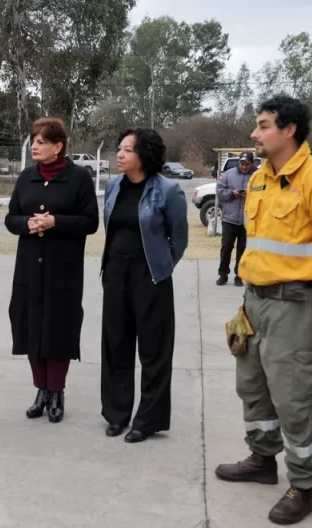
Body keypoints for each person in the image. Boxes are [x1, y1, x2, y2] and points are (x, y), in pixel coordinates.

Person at [214, 95, 312, 524]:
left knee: (294, 398)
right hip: (256, 300)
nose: (254, 134)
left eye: (263, 125)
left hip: (296, 304)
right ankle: (262, 461)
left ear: (289, 129)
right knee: (253, 387)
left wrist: (309, 285)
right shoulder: (260, 178)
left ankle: (304, 484)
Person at [5, 118, 99, 423]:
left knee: (58, 327)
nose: (35, 145)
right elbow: (11, 217)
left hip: (64, 268)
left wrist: (55, 222)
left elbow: (90, 222)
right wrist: (27, 224)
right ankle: (40, 390)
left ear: (58, 146)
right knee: (31, 325)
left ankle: (56, 391)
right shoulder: (26, 177)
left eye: (42, 141)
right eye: (34, 140)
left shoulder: (79, 178)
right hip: (30, 266)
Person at [100, 128, 188, 443]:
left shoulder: (168, 190)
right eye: (119, 148)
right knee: (115, 346)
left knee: (154, 351)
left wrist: (160, 268)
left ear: (144, 155)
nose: (119, 155)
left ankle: (148, 420)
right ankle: (116, 414)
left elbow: (179, 240)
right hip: (115, 275)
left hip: (150, 277)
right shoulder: (113, 187)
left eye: (127, 150)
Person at [215, 151, 255, 286]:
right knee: (226, 247)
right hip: (229, 219)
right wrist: (232, 193)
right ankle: (223, 274)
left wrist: (251, 195)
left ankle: (239, 276)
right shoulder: (228, 174)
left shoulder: (258, 177)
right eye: (242, 164)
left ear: (252, 163)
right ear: (239, 162)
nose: (244, 167)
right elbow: (219, 192)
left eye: (247, 164)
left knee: (243, 250)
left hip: (247, 221)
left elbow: (265, 195)